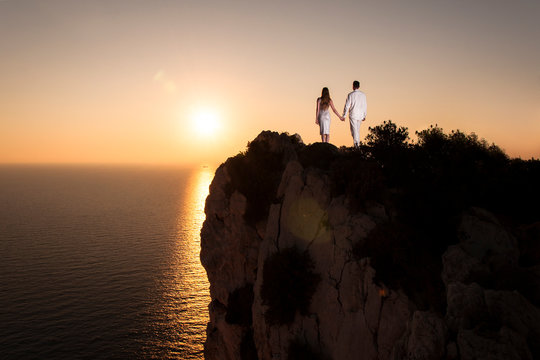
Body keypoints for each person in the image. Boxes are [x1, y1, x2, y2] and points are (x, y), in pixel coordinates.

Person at [342, 80, 367, 147]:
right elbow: (364, 105)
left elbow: (347, 106)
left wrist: (344, 115)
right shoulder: (363, 95)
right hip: (360, 115)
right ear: (359, 86)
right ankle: (357, 144)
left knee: (354, 131)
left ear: (353, 86)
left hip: (353, 114)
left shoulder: (350, 95)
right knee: (357, 130)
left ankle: (357, 145)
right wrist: (364, 115)